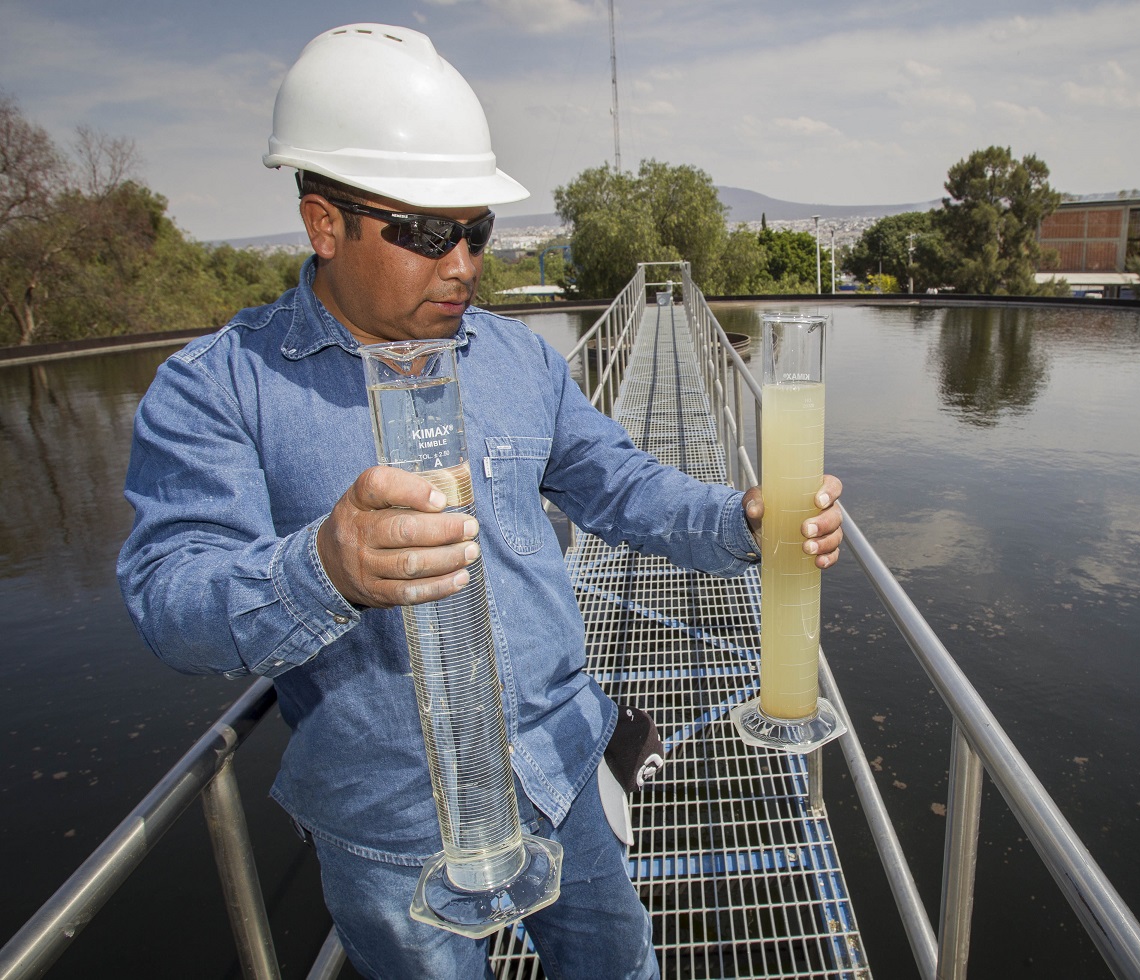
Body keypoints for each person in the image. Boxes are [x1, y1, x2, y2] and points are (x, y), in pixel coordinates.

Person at [115, 23, 843, 980]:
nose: (462, 263)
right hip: (394, 829)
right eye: (424, 233)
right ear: (323, 223)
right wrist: (322, 569)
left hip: (562, 772)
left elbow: (617, 483)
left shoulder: (514, 359)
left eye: (477, 231)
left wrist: (736, 520)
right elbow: (174, 603)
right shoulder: (216, 390)